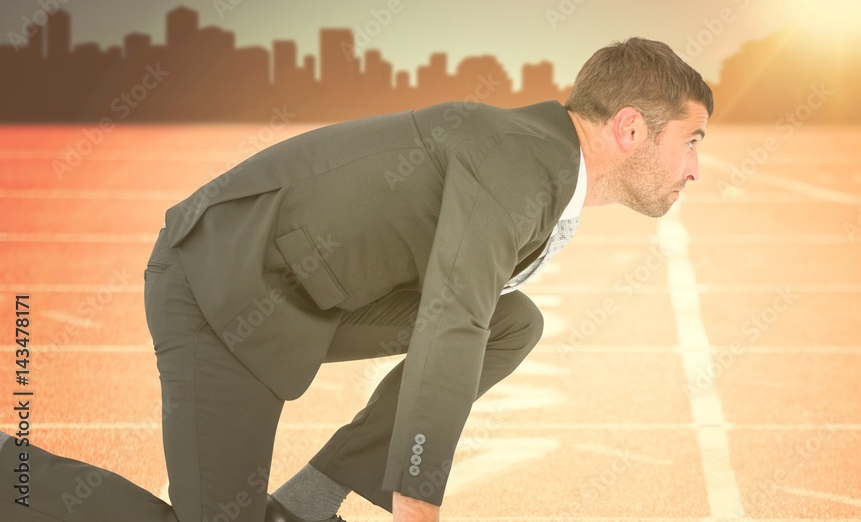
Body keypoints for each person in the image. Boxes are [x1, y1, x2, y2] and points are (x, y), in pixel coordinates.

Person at [0, 36, 711, 522]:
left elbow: (461, 310)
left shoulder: (543, 165)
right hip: (221, 281)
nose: (694, 169)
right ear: (628, 127)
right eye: (691, 142)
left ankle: (312, 493)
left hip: (301, 298)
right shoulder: (522, 158)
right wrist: (419, 496)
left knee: (513, 320)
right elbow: (452, 316)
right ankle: (12, 471)